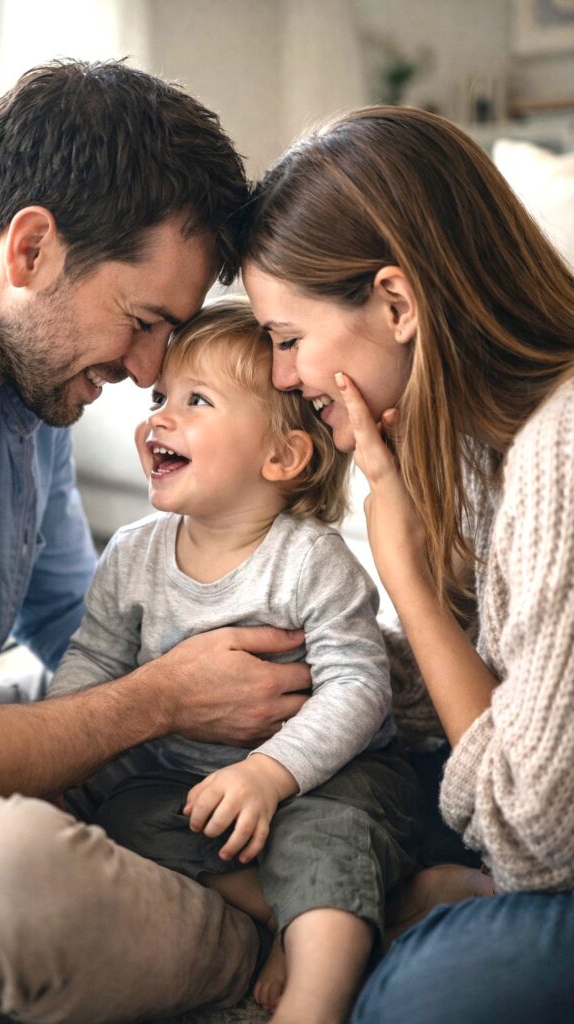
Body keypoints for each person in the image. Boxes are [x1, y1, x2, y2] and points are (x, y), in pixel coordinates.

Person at [0, 59, 315, 1024]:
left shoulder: (25, 397)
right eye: (143, 321)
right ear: (32, 246)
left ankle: (320, 899)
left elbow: (77, 628)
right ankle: (283, 950)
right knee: (12, 877)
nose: (144, 372)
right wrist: (161, 698)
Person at [242, 104, 574, 1024]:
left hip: (546, 840)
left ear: (395, 303)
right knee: (324, 807)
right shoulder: (475, 448)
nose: (280, 378)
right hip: (532, 808)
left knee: (417, 995)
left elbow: (536, 840)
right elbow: (482, 689)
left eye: (285, 337)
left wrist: (407, 578)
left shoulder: (561, 447)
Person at [48, 298, 421, 1024]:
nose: (159, 416)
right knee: (121, 822)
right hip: (190, 790)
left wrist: (268, 772)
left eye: (195, 401)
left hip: (323, 779)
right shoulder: (133, 555)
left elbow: (358, 686)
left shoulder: (312, 561)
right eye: (160, 398)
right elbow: (92, 664)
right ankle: (310, 905)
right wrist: (62, 771)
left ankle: (313, 998)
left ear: (280, 456)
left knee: (328, 832)